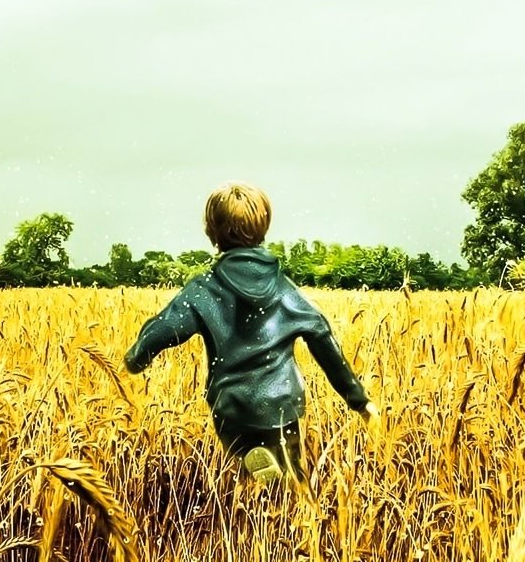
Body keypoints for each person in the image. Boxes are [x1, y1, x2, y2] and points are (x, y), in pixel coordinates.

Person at [124, 182, 378, 484]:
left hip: (232, 405)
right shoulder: (283, 289)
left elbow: (165, 330)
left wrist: (137, 357)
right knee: (290, 477)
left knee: (248, 468)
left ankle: (249, 457)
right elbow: (321, 336)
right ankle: (284, 495)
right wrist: (358, 400)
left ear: (211, 231)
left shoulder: (204, 287)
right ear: (264, 227)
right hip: (282, 401)